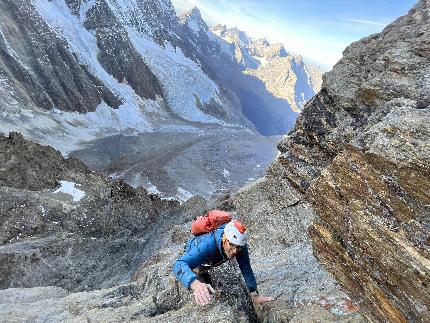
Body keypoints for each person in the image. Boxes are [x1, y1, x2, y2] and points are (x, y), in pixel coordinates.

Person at [173, 219, 274, 306]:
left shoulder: (240, 245)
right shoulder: (207, 244)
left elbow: (246, 269)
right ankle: (200, 273)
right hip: (196, 255)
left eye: (238, 247)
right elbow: (179, 265)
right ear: (225, 239)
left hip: (211, 258)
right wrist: (195, 284)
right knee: (206, 297)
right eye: (232, 245)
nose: (235, 251)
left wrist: (255, 295)